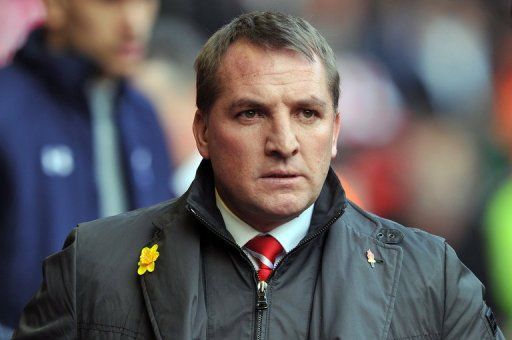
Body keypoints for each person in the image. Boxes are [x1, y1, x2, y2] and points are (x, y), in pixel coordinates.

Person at [13, 11, 504, 339]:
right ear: (202, 131)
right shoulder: (92, 267)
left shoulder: (429, 277)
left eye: (307, 114)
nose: (284, 142)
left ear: (335, 132)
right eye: (251, 114)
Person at [0, 0, 174, 331]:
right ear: (56, 7)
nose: (134, 22)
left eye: (145, 2)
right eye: (110, 3)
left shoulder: (143, 116)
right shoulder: (7, 112)